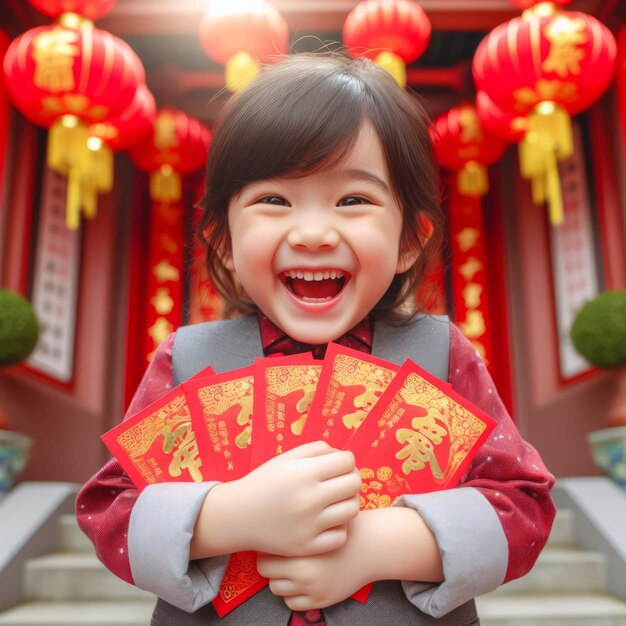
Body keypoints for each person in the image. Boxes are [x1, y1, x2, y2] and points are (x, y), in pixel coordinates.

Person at [77, 53, 555, 626]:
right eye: (273, 200)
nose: (310, 233)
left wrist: (380, 544)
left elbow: (524, 506)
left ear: (409, 239)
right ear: (224, 240)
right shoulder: (187, 359)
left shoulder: (440, 353)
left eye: (353, 200)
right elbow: (110, 510)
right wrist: (230, 515)